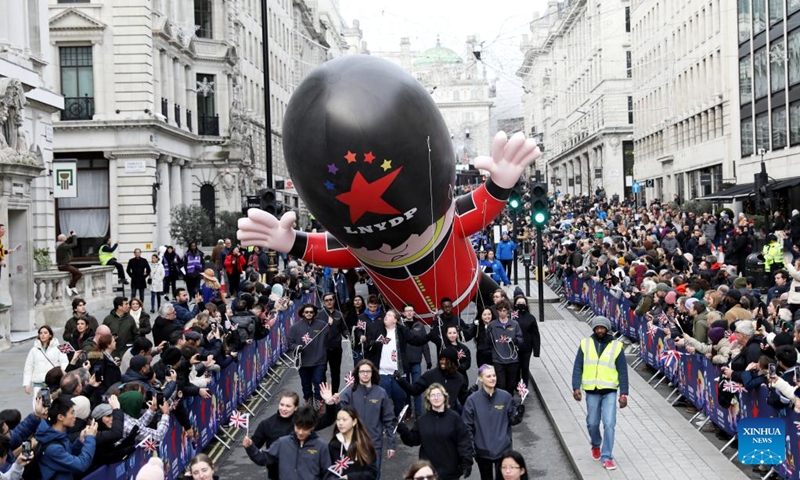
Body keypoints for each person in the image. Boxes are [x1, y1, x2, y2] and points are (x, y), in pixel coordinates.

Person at [570, 316, 628, 470]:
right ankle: (596, 444)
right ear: (594, 329)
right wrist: (576, 387)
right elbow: (578, 367)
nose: (600, 330)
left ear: (607, 329)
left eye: (602, 328)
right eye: (597, 328)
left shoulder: (617, 346)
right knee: (592, 422)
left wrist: (624, 394)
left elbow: (623, 371)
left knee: (609, 424)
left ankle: (607, 456)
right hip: (592, 390)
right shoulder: (585, 344)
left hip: (610, 391)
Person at [320, 360, 396, 476]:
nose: (365, 374)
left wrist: (391, 444)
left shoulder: (381, 393)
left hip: (374, 444)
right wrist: (332, 402)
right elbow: (341, 413)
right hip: (353, 444)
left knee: (373, 476)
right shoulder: (349, 392)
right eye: (362, 371)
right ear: (357, 373)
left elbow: (388, 420)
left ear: (372, 373)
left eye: (368, 371)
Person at [396, 383, 473, 480]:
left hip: (450, 472)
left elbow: (463, 442)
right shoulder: (422, 420)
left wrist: (466, 463)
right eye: (432, 395)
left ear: (444, 397)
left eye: (439, 395)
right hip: (428, 473)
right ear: (428, 398)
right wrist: (402, 428)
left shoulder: (454, 418)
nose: (436, 398)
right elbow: (413, 440)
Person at [462, 365, 525, 480]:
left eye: (494, 375)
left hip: (503, 450)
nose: (492, 378)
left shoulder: (505, 397)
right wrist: (471, 449)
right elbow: (467, 427)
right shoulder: (472, 400)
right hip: (482, 451)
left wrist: (519, 413)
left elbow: (512, 420)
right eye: (488, 376)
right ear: (481, 379)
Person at [243, 405, 331, 480]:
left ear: (312, 427)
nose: (300, 432)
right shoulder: (283, 442)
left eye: (305, 429)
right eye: (298, 427)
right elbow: (263, 459)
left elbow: (328, 474)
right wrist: (250, 447)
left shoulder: (321, 446)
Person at [34, 396, 97, 479]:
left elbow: (68, 455)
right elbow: (81, 465)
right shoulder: (53, 448)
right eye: (72, 413)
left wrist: (80, 441)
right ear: (60, 417)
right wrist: (90, 438)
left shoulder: (58, 434)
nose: (75, 417)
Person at [289, 303, 334, 407]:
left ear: (314, 313)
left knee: (318, 381)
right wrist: (297, 347)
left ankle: (319, 401)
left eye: (311, 312)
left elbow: (330, 338)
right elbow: (290, 343)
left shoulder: (322, 325)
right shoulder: (295, 327)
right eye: (307, 312)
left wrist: (331, 326)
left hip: (319, 360)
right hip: (303, 362)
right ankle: (308, 400)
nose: (309, 314)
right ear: (303, 313)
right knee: (306, 384)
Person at [249, 390, 299, 480]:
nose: (283, 409)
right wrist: (249, 446)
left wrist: (329, 403)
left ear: (295, 408)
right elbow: (255, 447)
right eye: (281, 404)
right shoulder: (267, 424)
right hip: (275, 475)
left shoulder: (301, 422)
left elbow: (325, 421)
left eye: (288, 406)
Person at [326, 406, 379, 480]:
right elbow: (327, 470)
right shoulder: (333, 445)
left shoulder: (364, 444)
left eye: (344, 420)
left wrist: (349, 477)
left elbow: (372, 473)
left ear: (354, 421)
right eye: (338, 420)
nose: (340, 423)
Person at [401, 303, 432, 417]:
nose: (409, 313)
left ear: (414, 312)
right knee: (406, 388)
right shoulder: (400, 325)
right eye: (407, 311)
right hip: (404, 362)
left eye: (411, 310)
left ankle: (418, 412)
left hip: (416, 361)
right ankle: (408, 412)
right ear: (403, 313)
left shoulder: (420, 325)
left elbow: (424, 344)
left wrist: (428, 360)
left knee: (417, 387)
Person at [23, 326, 68, 401]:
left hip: (54, 383)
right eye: (40, 333)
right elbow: (28, 367)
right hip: (38, 384)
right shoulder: (34, 350)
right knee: (38, 406)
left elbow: (64, 363)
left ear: (50, 335)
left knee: (53, 406)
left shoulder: (59, 348)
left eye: (45, 333)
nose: (43, 335)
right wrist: (26, 384)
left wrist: (64, 377)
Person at [488, 300, 523, 395]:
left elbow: (521, 339)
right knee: (501, 384)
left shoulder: (514, 324)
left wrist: (515, 340)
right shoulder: (492, 325)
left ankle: (509, 402)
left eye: (504, 310)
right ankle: (502, 404)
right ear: (497, 311)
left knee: (511, 384)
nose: (502, 312)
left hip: (512, 359)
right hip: (498, 359)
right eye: (500, 310)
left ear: (507, 311)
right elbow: (487, 341)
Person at [317, 292, 348, 393]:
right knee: (321, 373)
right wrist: (327, 324)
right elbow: (315, 330)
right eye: (326, 300)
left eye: (331, 300)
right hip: (323, 349)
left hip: (336, 348)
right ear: (323, 302)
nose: (329, 302)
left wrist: (348, 335)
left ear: (334, 301)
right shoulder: (319, 315)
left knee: (335, 373)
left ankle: (335, 393)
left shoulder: (339, 314)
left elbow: (344, 329)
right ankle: (324, 393)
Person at [512, 295, 540, 389]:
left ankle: (524, 387)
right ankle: (515, 384)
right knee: (515, 367)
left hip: (527, 348)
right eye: (519, 303)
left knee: (525, 367)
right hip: (514, 347)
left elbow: (535, 335)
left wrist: (536, 351)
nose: (521, 305)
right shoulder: (512, 317)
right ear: (515, 304)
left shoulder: (531, 318)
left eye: (523, 303)